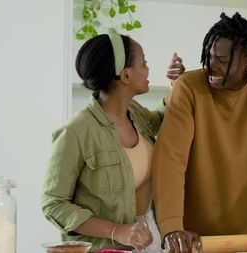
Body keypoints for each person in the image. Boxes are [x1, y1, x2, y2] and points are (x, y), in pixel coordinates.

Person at [151, 12, 247, 252]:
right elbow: (169, 159)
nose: (211, 64)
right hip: (192, 243)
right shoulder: (189, 88)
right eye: (210, 56)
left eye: (222, 59)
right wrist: (171, 228)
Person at [41, 28, 185, 253]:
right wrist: (117, 230)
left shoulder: (134, 113)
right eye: (143, 64)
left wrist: (177, 85)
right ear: (126, 75)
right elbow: (53, 204)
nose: (148, 70)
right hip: (106, 248)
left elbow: (160, 118)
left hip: (151, 241)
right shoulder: (76, 132)